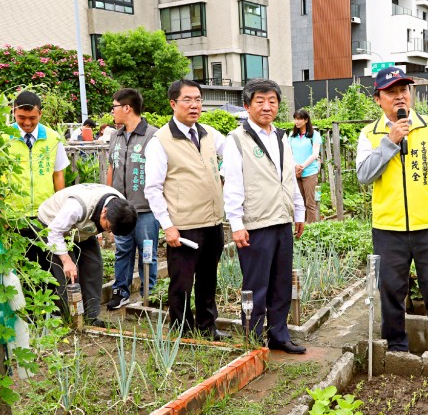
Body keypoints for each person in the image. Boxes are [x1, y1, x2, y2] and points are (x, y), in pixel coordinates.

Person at [356, 67, 428, 353]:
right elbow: (364, 175)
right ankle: (396, 349)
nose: (399, 97)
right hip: (388, 228)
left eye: (404, 91)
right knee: (391, 293)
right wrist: (390, 142)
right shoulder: (369, 134)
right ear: (378, 99)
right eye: (391, 92)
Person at [222, 79, 307, 354]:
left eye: (272, 101)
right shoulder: (236, 140)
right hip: (255, 223)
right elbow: (232, 184)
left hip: (282, 220)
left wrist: (299, 211)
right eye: (260, 101)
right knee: (256, 285)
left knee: (281, 282)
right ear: (247, 106)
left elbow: (289, 178)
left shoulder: (282, 137)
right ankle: (254, 338)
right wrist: (236, 224)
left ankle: (279, 335)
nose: (266, 106)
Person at [145, 80, 228, 341]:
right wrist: (168, 225)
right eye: (188, 100)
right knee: (182, 282)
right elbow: (153, 188)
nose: (195, 105)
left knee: (208, 278)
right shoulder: (161, 141)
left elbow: (235, 158)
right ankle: (182, 330)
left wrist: (222, 176)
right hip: (183, 226)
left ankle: (207, 325)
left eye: (198, 100)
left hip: (212, 221)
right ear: (173, 103)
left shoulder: (210, 134)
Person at [38, 183, 138, 327]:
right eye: (108, 228)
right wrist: (66, 260)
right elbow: (54, 232)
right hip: (52, 225)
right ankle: (69, 320)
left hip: (80, 228)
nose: (109, 232)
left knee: (94, 266)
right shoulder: (76, 206)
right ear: (104, 212)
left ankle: (91, 317)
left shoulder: (121, 207)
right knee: (69, 274)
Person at [106, 88, 160, 310]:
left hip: (146, 208)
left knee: (148, 252)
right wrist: (109, 199)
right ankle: (121, 292)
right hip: (120, 208)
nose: (112, 111)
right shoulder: (115, 137)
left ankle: (150, 294)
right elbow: (111, 168)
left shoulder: (153, 135)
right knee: (122, 251)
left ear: (127, 108)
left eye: (115, 107)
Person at [7, 90, 70, 276]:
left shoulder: (52, 138)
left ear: (40, 114)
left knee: (47, 269)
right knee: (19, 272)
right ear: (13, 113)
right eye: (21, 118)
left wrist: (61, 210)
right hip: (13, 218)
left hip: (45, 216)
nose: (27, 123)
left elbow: (58, 175)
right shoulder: (3, 138)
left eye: (32, 118)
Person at [290, 109, 322, 223]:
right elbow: (289, 153)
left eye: (299, 119)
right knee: (299, 202)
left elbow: (315, 154)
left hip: (309, 172)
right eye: (295, 119)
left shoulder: (314, 135)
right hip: (295, 171)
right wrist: (295, 165)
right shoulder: (292, 135)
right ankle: (299, 227)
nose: (297, 121)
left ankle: (311, 228)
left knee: (310, 202)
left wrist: (302, 166)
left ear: (306, 120)